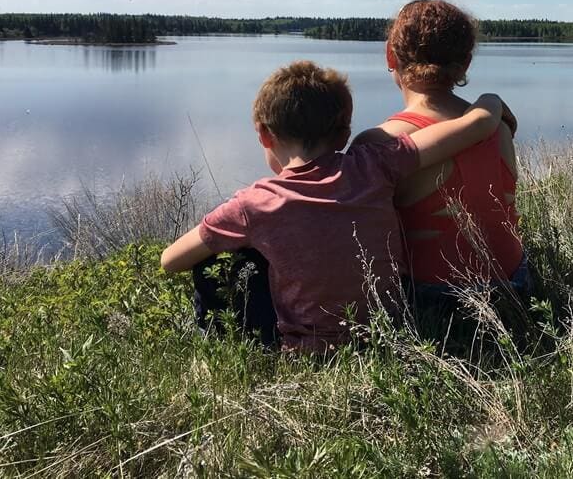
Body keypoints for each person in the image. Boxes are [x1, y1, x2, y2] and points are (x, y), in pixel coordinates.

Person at [160, 59, 510, 353]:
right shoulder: (375, 164)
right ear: (344, 135)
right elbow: (475, 124)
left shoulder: (254, 204)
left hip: (308, 353)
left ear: (265, 135)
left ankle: (226, 352)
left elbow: (170, 260)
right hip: (387, 335)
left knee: (217, 261)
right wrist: (491, 101)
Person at [353, 0, 529, 334]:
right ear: (465, 64)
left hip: (435, 299)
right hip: (514, 284)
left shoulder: (378, 142)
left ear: (391, 55)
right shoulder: (499, 127)